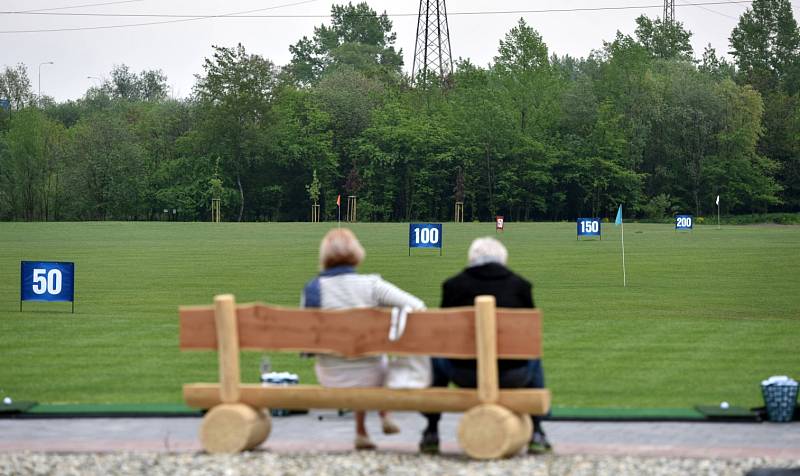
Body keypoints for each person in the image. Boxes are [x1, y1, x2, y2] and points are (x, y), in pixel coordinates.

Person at [419, 237, 552, 455]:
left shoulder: (452, 286)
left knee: (437, 355)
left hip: (464, 374)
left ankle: (431, 430)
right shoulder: (521, 286)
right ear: (502, 258)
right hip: (512, 374)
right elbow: (529, 337)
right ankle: (537, 430)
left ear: (472, 258)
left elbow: (442, 337)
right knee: (533, 355)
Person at [301, 228, 426, 451]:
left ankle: (361, 432)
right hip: (373, 374)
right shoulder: (371, 285)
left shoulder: (312, 290)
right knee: (375, 362)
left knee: (359, 361)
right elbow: (417, 307)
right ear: (356, 254)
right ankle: (384, 413)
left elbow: (307, 338)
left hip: (332, 376)